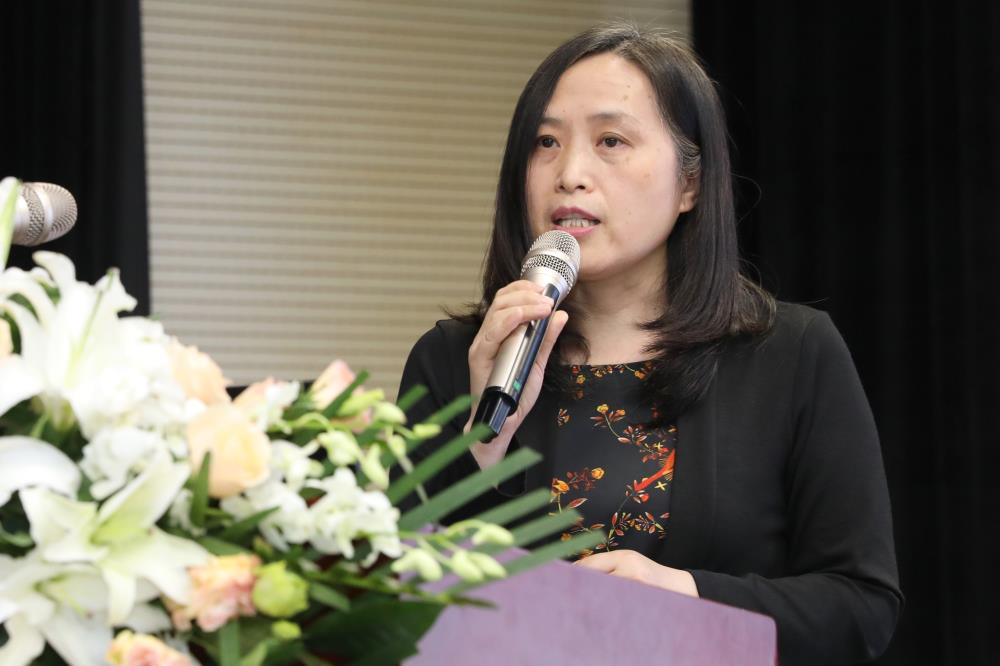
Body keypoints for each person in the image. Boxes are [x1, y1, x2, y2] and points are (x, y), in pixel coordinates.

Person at [397, 23, 901, 665]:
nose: (570, 174)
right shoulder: (455, 358)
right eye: (546, 143)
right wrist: (482, 447)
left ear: (690, 183)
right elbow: (387, 604)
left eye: (611, 140)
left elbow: (862, 608)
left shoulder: (791, 353)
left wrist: (685, 595)